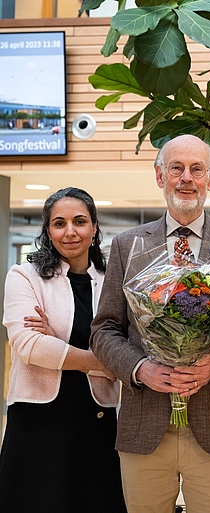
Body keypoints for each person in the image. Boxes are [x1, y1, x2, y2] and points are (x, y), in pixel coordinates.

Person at [90, 134, 210, 513]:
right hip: (144, 422)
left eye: (197, 169)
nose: (186, 178)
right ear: (159, 176)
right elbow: (103, 330)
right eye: (176, 168)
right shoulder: (127, 245)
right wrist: (139, 368)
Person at [0, 187, 126, 512]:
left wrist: (54, 342)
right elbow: (29, 345)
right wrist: (99, 361)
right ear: (48, 230)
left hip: (97, 423)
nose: (69, 231)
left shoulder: (112, 281)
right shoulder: (25, 276)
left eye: (79, 221)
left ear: (94, 227)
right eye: (59, 223)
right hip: (36, 423)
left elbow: (127, 350)